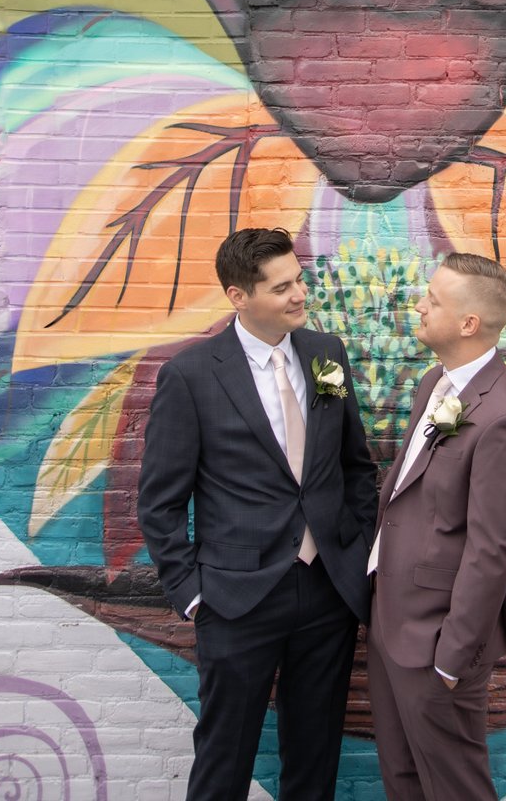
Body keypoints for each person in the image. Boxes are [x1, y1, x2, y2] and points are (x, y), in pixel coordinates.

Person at [137, 226, 378, 801]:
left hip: (327, 592)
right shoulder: (191, 376)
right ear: (238, 296)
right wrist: (192, 591)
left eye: (299, 280)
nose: (299, 295)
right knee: (225, 757)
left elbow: (355, 466)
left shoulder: (326, 354)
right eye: (281, 288)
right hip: (237, 597)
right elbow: (160, 501)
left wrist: (355, 553)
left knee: (315, 755)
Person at [366, 251, 506, 801]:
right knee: (404, 781)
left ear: (469, 323)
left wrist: (450, 659)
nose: (419, 306)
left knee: (454, 789)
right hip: (390, 622)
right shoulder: (434, 386)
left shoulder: (505, 418)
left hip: (436, 641)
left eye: (433, 300)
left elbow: (491, 551)